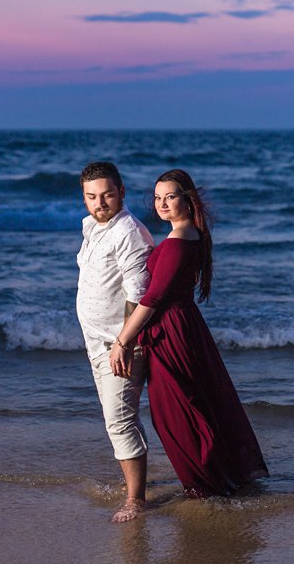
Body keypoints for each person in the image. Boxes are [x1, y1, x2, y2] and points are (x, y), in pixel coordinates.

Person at [110, 169, 269, 497]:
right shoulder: (187, 236)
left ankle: (205, 484)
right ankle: (211, 478)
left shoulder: (179, 244)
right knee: (188, 407)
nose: (162, 203)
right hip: (182, 326)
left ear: (187, 198)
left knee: (175, 414)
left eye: (170, 196)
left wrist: (122, 341)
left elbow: (152, 299)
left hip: (173, 333)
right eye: (157, 197)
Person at [76, 161, 155, 522]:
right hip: (98, 343)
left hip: (121, 344)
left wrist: (125, 341)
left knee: (119, 420)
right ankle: (134, 486)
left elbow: (139, 295)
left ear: (122, 192)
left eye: (107, 194)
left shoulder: (129, 232)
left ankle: (136, 500)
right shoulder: (93, 226)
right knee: (118, 419)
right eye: (91, 196)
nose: (99, 202)